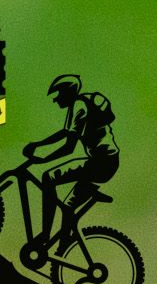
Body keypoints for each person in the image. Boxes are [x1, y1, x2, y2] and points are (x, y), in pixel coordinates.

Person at [18, 73, 122, 263]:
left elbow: (69, 147)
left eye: (58, 94)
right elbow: (65, 133)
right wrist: (38, 144)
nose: (56, 99)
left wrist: (43, 159)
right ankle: (63, 249)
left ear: (68, 92)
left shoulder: (80, 106)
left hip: (101, 162)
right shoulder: (79, 106)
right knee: (68, 207)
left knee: (48, 178)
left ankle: (45, 235)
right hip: (106, 162)